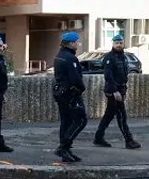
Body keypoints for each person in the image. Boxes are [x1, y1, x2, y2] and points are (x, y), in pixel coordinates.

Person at [94, 35, 141, 149]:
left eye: (120, 43)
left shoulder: (123, 57)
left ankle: (98, 138)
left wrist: (123, 91)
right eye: (116, 43)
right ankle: (129, 140)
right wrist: (115, 91)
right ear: (113, 44)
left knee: (109, 115)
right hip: (113, 91)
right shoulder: (110, 58)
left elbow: (123, 76)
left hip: (121, 90)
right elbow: (109, 76)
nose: (119, 45)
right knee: (121, 116)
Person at [52, 32, 87, 163]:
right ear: (71, 43)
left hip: (61, 93)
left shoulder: (59, 55)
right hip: (70, 94)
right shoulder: (70, 58)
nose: (78, 44)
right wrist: (81, 88)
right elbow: (75, 78)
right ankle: (63, 147)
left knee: (66, 121)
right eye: (77, 42)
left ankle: (66, 150)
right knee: (81, 120)